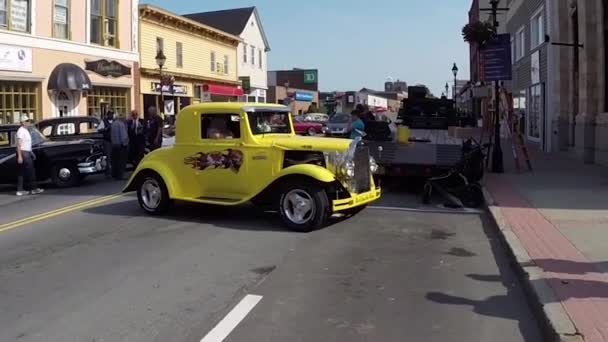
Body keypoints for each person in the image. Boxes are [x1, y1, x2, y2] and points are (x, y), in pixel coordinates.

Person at [16, 115, 43, 196]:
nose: (29, 122)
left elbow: (27, 143)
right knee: (31, 171)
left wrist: (31, 153)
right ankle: (34, 189)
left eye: (29, 121)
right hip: (23, 153)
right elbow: (18, 144)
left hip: (26, 152)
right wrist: (20, 156)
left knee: (22, 172)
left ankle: (20, 190)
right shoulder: (21, 131)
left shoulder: (25, 130)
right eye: (27, 121)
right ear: (23, 122)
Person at [110, 113, 129, 180]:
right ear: (121, 118)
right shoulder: (121, 124)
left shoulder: (113, 124)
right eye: (124, 118)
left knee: (115, 161)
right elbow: (123, 136)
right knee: (121, 161)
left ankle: (114, 174)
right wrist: (126, 143)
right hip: (121, 145)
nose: (125, 119)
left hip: (114, 145)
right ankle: (121, 175)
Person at [97, 110, 114, 178]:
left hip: (114, 141)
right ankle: (108, 173)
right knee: (108, 157)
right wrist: (106, 129)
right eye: (110, 114)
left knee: (114, 157)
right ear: (107, 115)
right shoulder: (104, 121)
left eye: (112, 114)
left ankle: (114, 172)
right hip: (107, 141)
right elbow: (99, 129)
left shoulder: (115, 121)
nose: (111, 115)